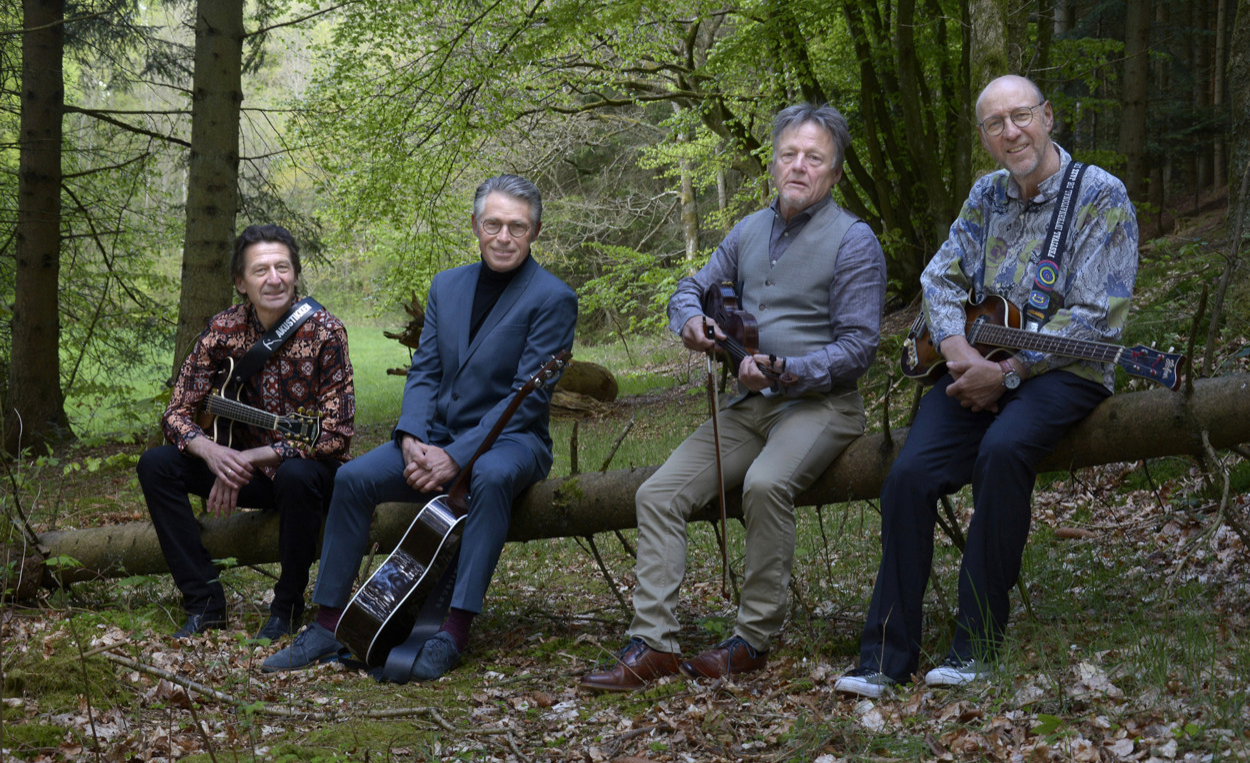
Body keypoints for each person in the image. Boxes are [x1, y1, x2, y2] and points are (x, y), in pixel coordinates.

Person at [834, 75, 1139, 698]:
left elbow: (1097, 317)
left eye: (1021, 116)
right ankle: (884, 658)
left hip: (1065, 373)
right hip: (974, 364)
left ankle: (975, 648)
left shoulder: (1100, 195)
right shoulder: (986, 196)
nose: (1011, 132)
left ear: (1047, 117)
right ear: (985, 137)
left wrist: (1008, 371)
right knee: (909, 477)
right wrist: (956, 350)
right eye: (996, 124)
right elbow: (940, 276)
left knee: (1002, 453)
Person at [580, 104, 887, 692]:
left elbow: (859, 349)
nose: (798, 166)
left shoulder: (854, 241)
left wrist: (785, 369)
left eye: (814, 158)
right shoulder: (748, 230)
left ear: (835, 172)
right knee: (658, 492)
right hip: (747, 409)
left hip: (822, 406)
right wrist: (689, 319)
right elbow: (689, 286)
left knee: (765, 484)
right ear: (773, 162)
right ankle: (655, 645)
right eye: (789, 154)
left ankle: (751, 639)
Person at [261, 174, 578, 680]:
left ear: (534, 232)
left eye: (516, 227)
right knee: (352, 478)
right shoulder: (447, 285)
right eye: (492, 224)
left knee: (492, 477)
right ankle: (325, 625)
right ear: (475, 225)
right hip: (433, 438)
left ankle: (452, 630)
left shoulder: (553, 297)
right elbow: (425, 370)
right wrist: (411, 438)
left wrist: (458, 458)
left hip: (514, 441)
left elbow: (527, 395)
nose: (503, 236)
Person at [138, 224, 355, 641]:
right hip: (239, 469)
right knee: (156, 465)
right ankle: (204, 602)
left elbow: (336, 432)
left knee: (296, 474)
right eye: (260, 270)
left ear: (295, 274)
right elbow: (177, 413)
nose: (274, 279)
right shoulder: (222, 331)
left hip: (306, 474)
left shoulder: (326, 332)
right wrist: (211, 453)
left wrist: (249, 458)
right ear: (240, 281)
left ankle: (286, 607)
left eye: (282, 268)